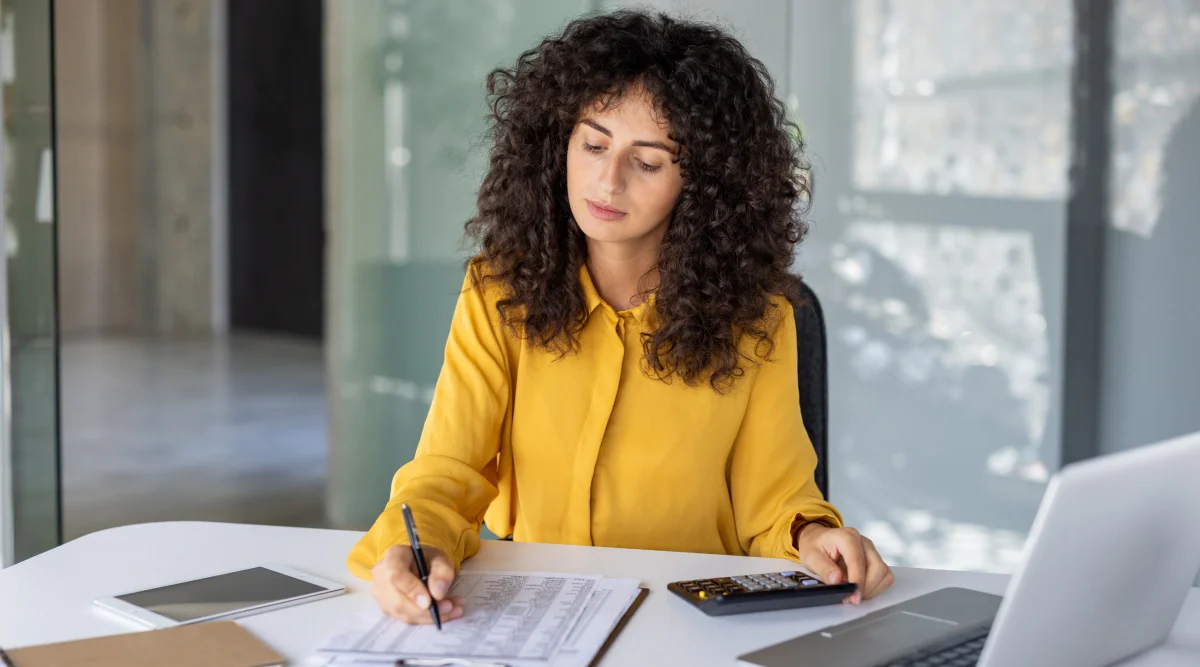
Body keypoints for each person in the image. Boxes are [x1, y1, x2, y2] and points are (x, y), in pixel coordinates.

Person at [349, 10, 894, 624]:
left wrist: (814, 538)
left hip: (689, 619)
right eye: (593, 144)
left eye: (649, 160)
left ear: (703, 183)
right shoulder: (497, 291)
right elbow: (447, 472)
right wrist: (411, 547)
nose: (608, 181)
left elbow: (775, 501)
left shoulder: (758, 319)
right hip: (538, 607)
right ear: (559, 144)